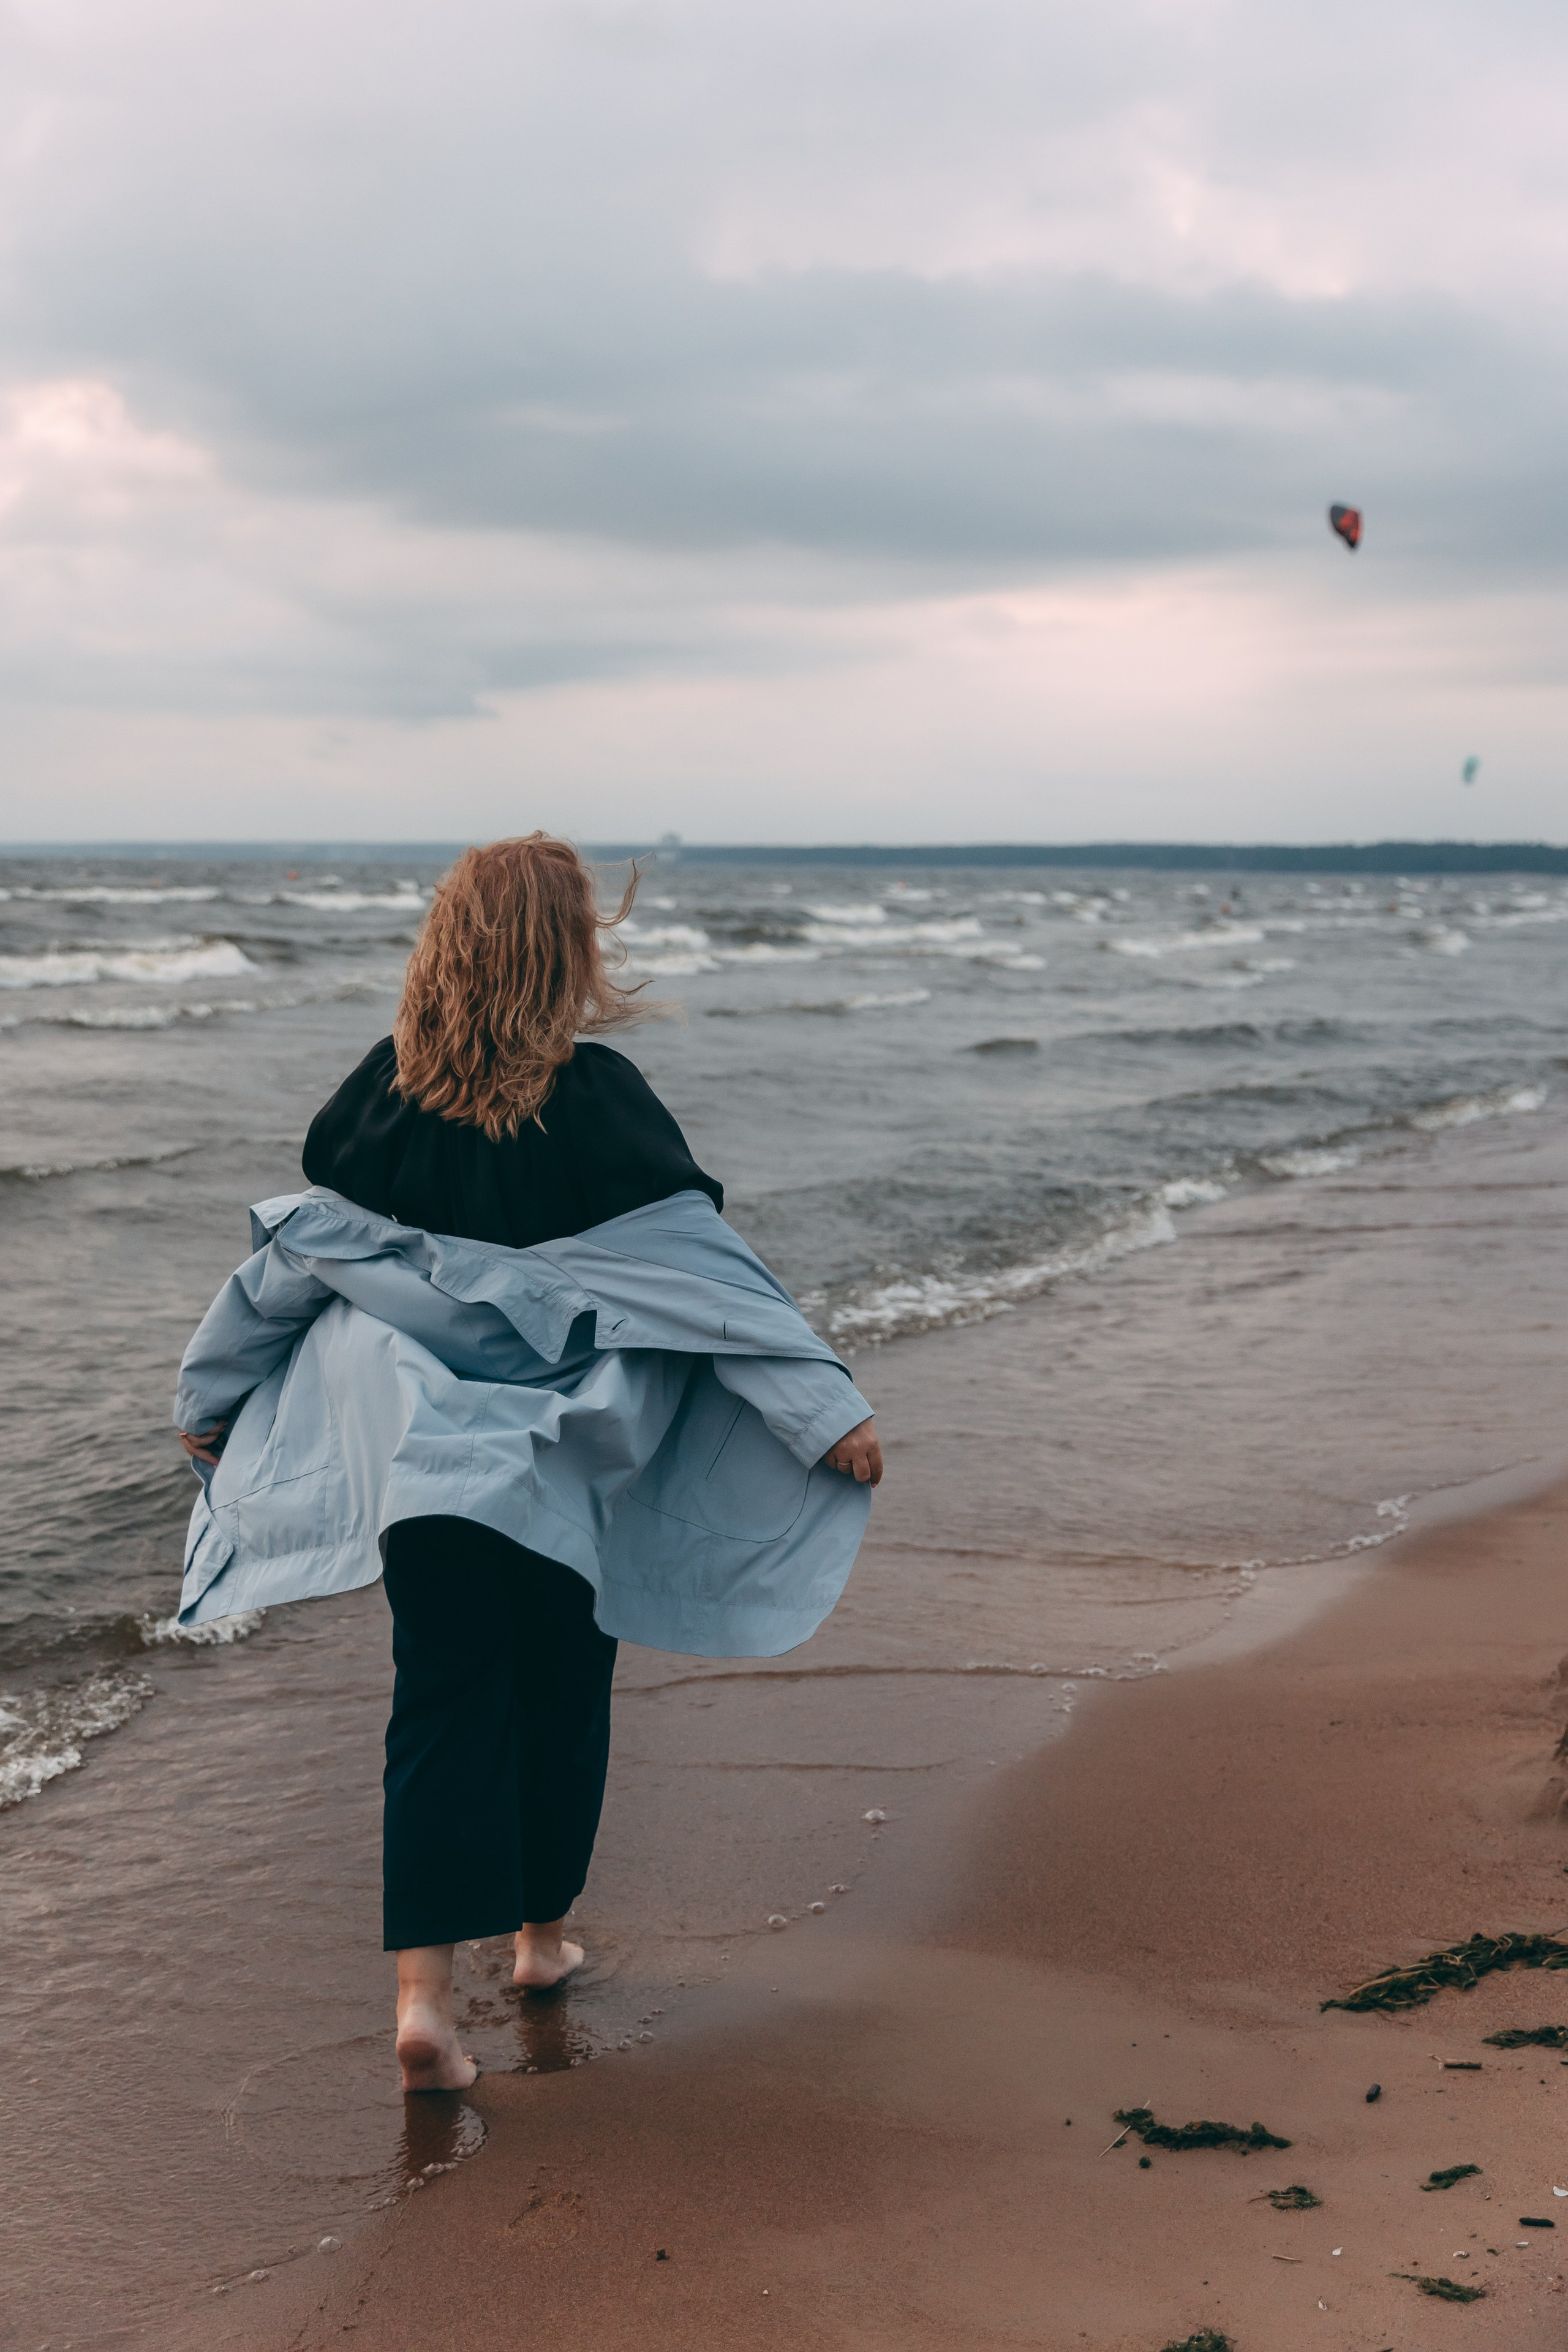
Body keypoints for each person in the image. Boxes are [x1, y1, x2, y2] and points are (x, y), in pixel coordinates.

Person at [173, 835, 881, 2092]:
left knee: (439, 1700)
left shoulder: (381, 1098)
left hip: (423, 1472)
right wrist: (821, 1411)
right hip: (563, 1471)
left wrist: (211, 1397)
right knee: (561, 1688)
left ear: (443, 948)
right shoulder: (601, 1101)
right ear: (570, 955)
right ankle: (540, 1944)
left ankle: (422, 2005)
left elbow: (293, 1265)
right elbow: (706, 1282)